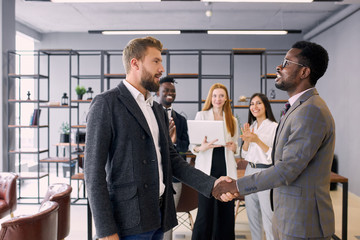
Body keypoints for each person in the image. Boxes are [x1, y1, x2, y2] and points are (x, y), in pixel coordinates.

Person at [84, 36, 228, 240]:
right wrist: (106, 231)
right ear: (135, 63)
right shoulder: (106, 104)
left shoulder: (157, 109)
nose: (162, 69)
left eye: (161, 61)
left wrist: (212, 185)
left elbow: (173, 160)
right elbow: (93, 174)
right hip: (127, 222)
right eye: (156, 61)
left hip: (159, 216)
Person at [213, 41, 335, 240]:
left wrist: (237, 186)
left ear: (304, 72)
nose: (279, 67)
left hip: (302, 222)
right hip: (287, 214)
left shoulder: (310, 111)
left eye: (287, 63)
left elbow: (287, 169)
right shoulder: (298, 108)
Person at [190, 83, 239, 240]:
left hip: (226, 168)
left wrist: (234, 147)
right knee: (205, 211)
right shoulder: (201, 116)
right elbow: (193, 147)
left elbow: (236, 146)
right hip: (207, 170)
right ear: (211, 98)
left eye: (221, 96)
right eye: (215, 95)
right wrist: (201, 147)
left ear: (226, 99)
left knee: (225, 211)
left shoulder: (232, 120)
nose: (218, 99)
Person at [240, 93, 277, 240]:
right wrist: (248, 140)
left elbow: (275, 155)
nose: (254, 107)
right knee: (252, 215)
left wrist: (257, 140)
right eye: (252, 104)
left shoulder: (275, 127)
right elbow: (244, 153)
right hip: (250, 171)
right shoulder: (252, 126)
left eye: (258, 103)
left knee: (268, 216)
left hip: (266, 172)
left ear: (266, 106)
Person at [157, 76, 190, 240]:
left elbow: (186, 148)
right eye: (166, 90)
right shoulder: (150, 115)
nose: (170, 93)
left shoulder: (181, 120)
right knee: (153, 220)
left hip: (175, 179)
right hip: (154, 177)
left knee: (169, 220)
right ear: (158, 92)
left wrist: (175, 141)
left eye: (173, 91)